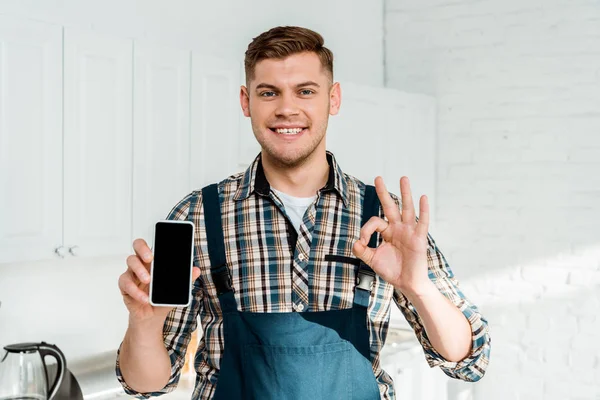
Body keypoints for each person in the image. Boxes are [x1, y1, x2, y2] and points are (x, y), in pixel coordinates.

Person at [115, 26, 491, 400]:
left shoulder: (384, 218)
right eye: (269, 93)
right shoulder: (197, 215)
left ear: (334, 98)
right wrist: (144, 325)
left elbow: (468, 359)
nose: (286, 109)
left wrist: (418, 287)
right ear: (246, 102)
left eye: (305, 91)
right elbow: (146, 384)